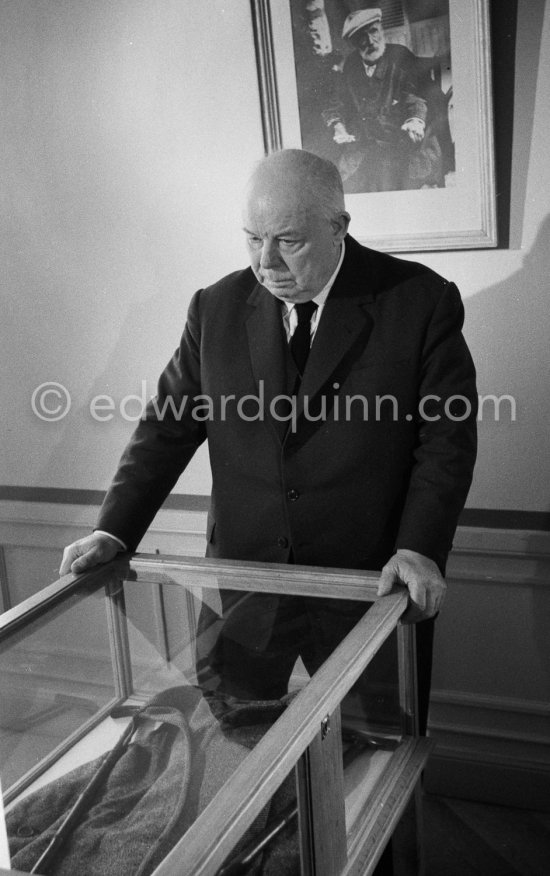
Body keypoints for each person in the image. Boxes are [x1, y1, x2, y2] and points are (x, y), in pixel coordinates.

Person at [60, 148, 476, 733]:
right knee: (240, 741)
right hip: (249, 580)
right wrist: (114, 528)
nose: (266, 261)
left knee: (381, 745)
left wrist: (420, 546)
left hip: (370, 582)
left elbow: (446, 440)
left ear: (339, 230)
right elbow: (166, 427)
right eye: (252, 238)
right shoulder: (215, 307)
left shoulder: (420, 300)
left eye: (288, 241)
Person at [324, 7, 445, 192]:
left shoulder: (401, 57)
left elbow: (415, 95)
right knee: (346, 186)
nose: (370, 41)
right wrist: (338, 127)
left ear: (381, 29)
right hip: (368, 145)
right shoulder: (351, 65)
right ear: (354, 44)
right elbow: (337, 102)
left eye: (373, 31)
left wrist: (415, 120)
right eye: (361, 38)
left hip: (405, 143)